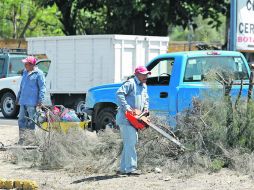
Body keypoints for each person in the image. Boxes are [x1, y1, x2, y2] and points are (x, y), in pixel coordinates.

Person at [116, 65, 151, 175]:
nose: (146, 76)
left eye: (147, 74)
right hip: (126, 119)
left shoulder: (144, 86)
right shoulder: (131, 83)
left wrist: (146, 108)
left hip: (136, 119)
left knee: (129, 143)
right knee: (131, 142)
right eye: (144, 74)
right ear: (137, 74)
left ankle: (122, 169)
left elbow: (146, 99)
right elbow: (119, 93)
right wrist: (126, 107)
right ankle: (131, 168)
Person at [16, 56, 46, 145]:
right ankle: (22, 139)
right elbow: (22, 87)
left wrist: (40, 100)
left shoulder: (39, 74)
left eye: (26, 63)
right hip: (23, 101)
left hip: (32, 103)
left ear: (32, 64)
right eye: (25, 63)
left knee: (32, 121)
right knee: (21, 120)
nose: (25, 65)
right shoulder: (25, 72)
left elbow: (42, 88)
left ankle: (31, 140)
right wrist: (18, 98)